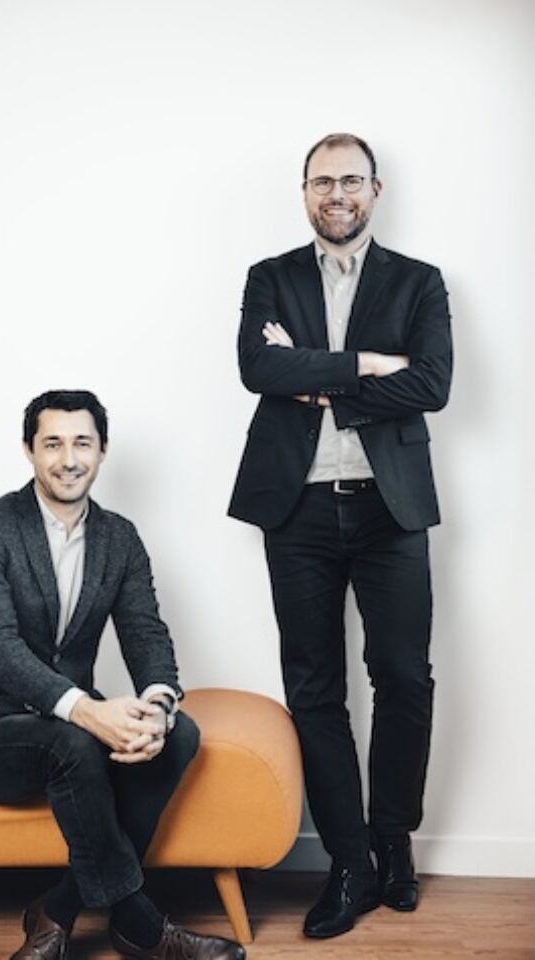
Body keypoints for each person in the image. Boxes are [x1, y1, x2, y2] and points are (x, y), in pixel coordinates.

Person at [0, 389, 244, 960]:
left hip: (60, 729)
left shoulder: (119, 537)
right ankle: (140, 926)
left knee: (180, 733)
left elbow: (145, 631)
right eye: (53, 444)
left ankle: (59, 910)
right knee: (73, 740)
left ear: (102, 451)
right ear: (29, 450)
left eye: (82, 443)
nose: (68, 459)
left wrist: (158, 707)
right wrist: (88, 711)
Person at [229, 133, 452, 939]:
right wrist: (368, 364)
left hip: (391, 508)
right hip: (297, 510)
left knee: (404, 678)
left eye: (350, 180)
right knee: (315, 690)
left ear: (375, 190)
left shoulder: (419, 282)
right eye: (322, 181)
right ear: (304, 191)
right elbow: (259, 370)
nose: (336, 194)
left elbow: (433, 383)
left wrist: (318, 377)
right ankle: (349, 862)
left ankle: (392, 839)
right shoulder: (271, 277)